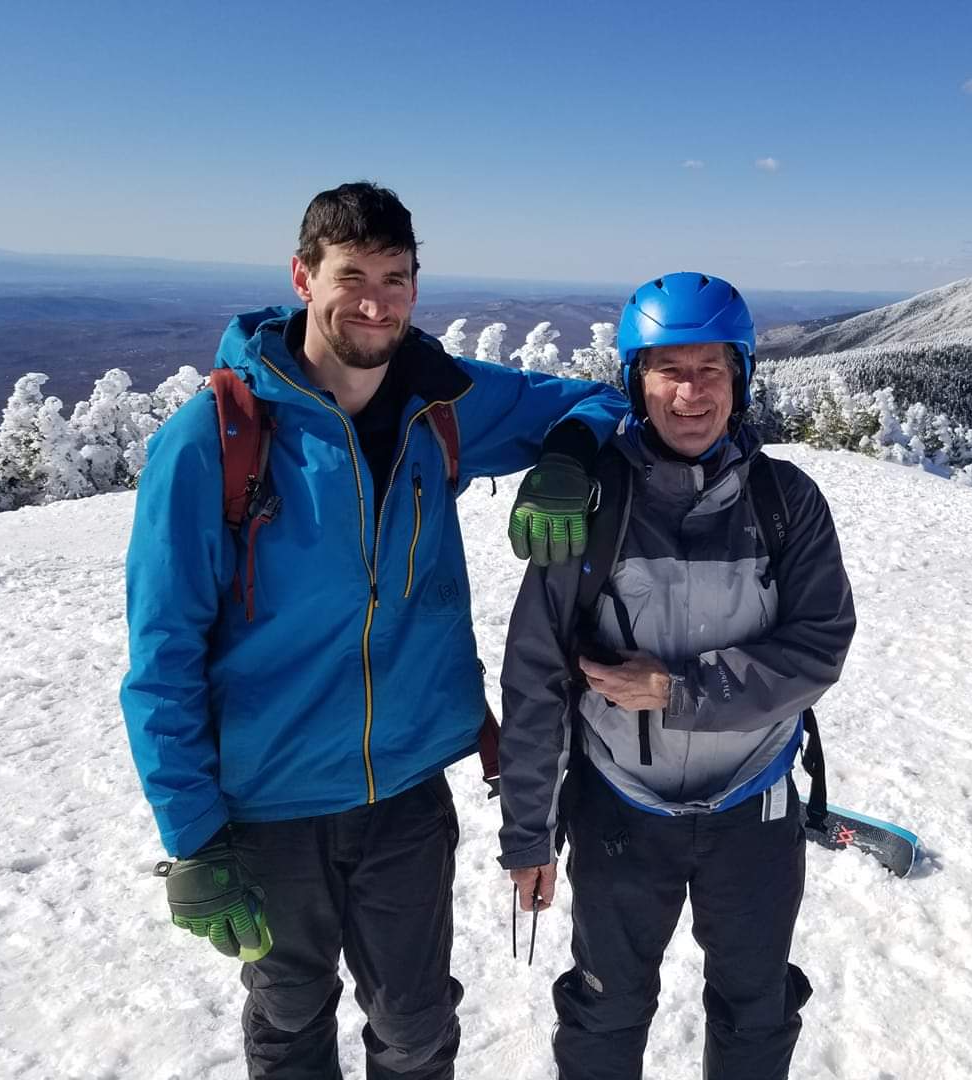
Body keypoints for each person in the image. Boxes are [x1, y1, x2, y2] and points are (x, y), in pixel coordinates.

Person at [120, 181, 627, 1078]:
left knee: (418, 1027)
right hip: (268, 807)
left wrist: (568, 457)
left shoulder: (442, 403)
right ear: (302, 275)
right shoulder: (214, 439)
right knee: (289, 1025)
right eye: (352, 274)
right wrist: (192, 837)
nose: (374, 301)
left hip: (404, 796)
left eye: (396, 278)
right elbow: (161, 659)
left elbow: (598, 400)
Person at [497, 271, 857, 1080]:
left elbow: (820, 647)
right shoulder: (593, 507)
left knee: (755, 1009)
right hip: (621, 809)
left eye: (711, 371)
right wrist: (528, 832)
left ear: (740, 381)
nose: (691, 394)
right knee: (604, 1007)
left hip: (752, 811)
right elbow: (534, 678)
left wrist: (678, 690)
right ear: (636, 381)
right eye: (670, 370)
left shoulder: (785, 502)